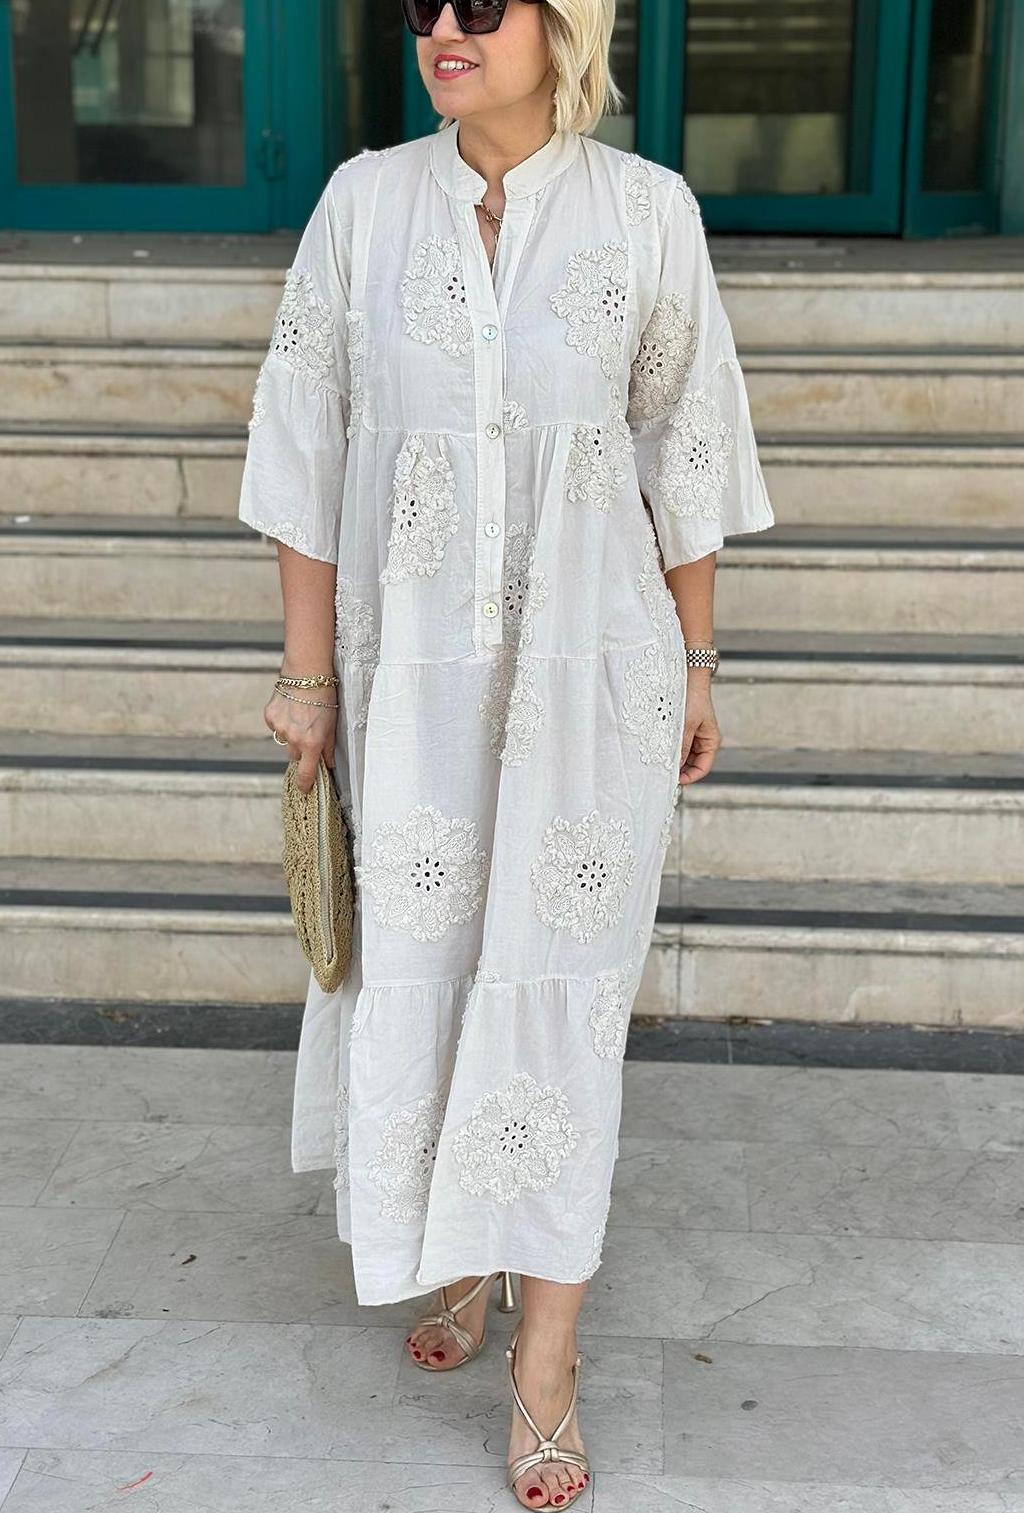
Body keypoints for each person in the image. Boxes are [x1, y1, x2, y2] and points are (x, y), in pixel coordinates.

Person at [238, 0, 775, 1504]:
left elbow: (687, 449)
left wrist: (699, 660)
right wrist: (303, 676)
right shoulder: (363, 204)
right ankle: (457, 1248)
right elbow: (302, 440)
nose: (444, 28)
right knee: (424, 963)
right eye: (426, 5)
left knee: (556, 998)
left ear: (566, 25)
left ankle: (547, 1357)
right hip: (404, 679)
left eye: (483, 4)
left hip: (592, 680)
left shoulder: (648, 212)